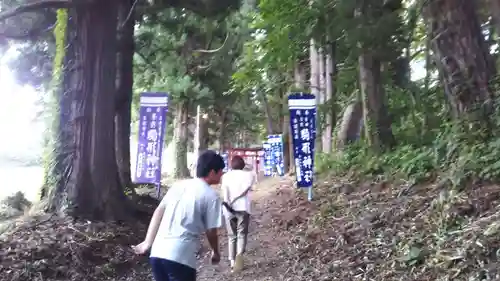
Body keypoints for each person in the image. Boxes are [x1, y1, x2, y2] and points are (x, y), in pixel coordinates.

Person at [132, 150, 225, 281]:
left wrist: (148, 242)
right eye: (221, 171)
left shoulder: (178, 186)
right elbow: (211, 231)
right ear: (212, 172)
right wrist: (215, 251)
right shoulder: (211, 196)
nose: (222, 174)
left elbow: (159, 211)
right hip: (181, 257)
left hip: (158, 253)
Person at [221, 155, 256, 272]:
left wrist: (228, 203)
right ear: (243, 165)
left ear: (231, 164)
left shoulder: (225, 176)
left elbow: (224, 192)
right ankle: (239, 259)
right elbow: (250, 188)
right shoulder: (249, 175)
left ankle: (231, 261)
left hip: (228, 208)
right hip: (243, 208)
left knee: (231, 236)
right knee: (241, 234)